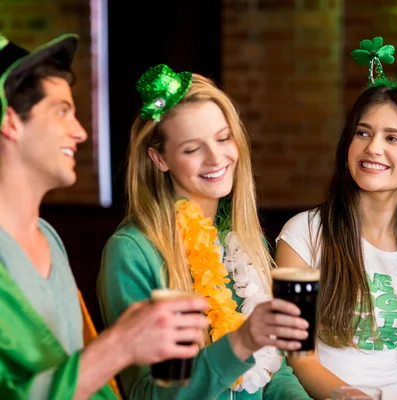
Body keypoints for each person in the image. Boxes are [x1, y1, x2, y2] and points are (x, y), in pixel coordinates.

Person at [0, 34, 208, 399]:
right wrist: (120, 346)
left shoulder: (48, 239)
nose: (80, 132)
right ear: (10, 121)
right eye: (62, 110)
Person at [97, 63, 311, 399]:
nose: (216, 158)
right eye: (192, 149)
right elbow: (146, 394)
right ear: (159, 159)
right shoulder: (132, 251)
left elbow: (274, 371)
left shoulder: (242, 240)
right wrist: (241, 342)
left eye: (224, 138)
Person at [275, 37, 397, 400]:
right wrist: (347, 395)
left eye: (393, 138)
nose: (373, 147)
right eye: (363, 132)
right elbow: (299, 357)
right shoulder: (303, 234)